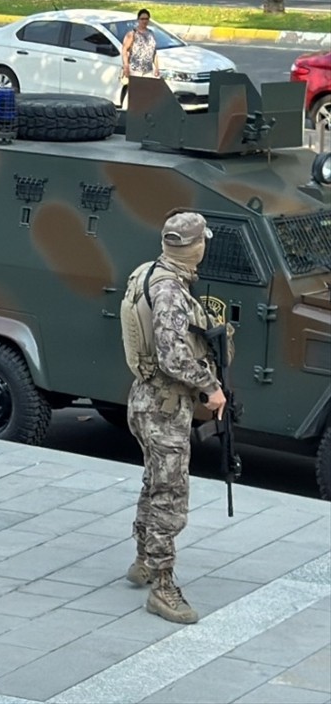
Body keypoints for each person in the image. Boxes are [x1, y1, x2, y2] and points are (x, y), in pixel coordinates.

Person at [120, 211, 227, 625]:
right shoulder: (169, 291)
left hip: (146, 399)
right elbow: (172, 354)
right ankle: (163, 587)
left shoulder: (148, 272)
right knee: (171, 495)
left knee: (154, 482)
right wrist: (210, 386)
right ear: (195, 246)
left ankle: (144, 560)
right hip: (164, 406)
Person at [123, 8, 160, 80]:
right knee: (136, 91)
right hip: (135, 70)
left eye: (146, 19)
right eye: (142, 19)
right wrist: (126, 66)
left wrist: (157, 67)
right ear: (138, 19)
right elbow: (124, 50)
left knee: (146, 90)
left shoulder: (151, 34)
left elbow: (154, 53)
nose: (144, 21)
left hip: (148, 71)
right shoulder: (132, 34)